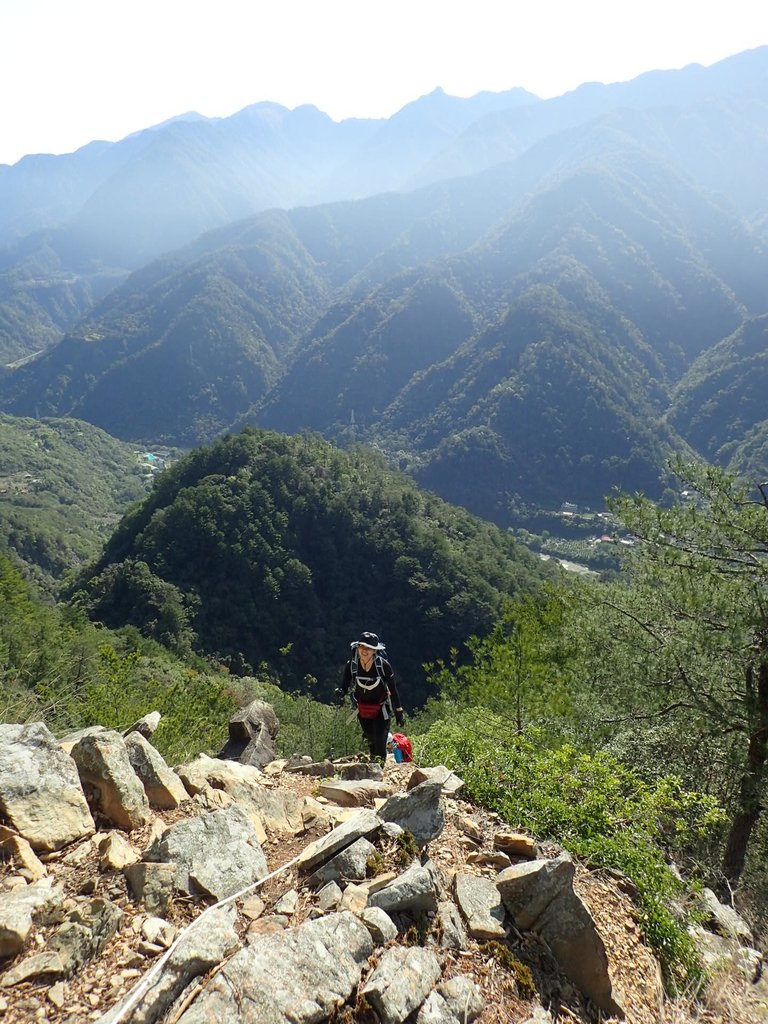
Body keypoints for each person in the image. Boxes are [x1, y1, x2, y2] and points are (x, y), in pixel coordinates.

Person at [337, 631, 404, 762]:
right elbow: (345, 684)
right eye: (362, 647)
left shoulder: (383, 666)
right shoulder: (352, 665)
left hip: (381, 708)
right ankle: (374, 766)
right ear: (357, 647)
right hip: (362, 708)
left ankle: (379, 768)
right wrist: (341, 691)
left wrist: (399, 711)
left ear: (374, 650)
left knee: (380, 738)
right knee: (370, 738)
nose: (364, 650)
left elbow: (393, 689)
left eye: (368, 648)